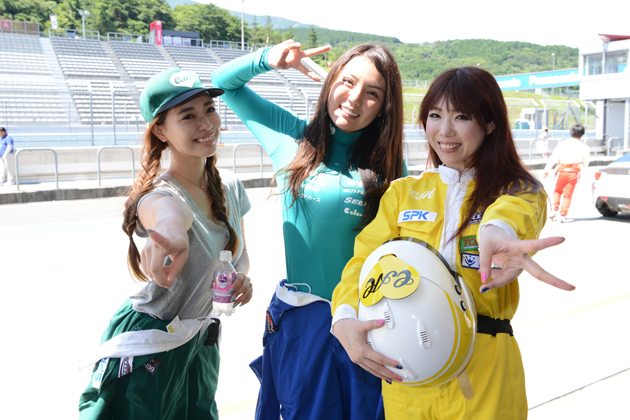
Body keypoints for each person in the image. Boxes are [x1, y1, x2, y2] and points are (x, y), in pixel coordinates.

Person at [332, 66, 575, 420]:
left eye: (461, 117)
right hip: (405, 378)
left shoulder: (519, 190)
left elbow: (514, 214)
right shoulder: (402, 193)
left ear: (490, 124)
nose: (445, 131)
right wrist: (342, 317)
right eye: (435, 115)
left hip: (484, 373)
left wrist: (498, 229)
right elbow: (363, 263)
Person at [211, 40, 407, 420]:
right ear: (330, 80)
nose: (354, 98)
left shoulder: (389, 164)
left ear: (385, 106)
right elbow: (223, 84)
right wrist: (269, 59)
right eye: (347, 82)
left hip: (367, 324)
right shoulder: (292, 138)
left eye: (372, 93)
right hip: (304, 323)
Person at [78, 68, 253, 420]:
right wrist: (172, 237)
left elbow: (240, 254)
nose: (206, 123)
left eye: (209, 109)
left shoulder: (230, 186)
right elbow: (168, 215)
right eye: (188, 116)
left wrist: (240, 278)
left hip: (199, 340)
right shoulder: (160, 194)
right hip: (152, 340)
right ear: (161, 131)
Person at [543, 123, 589, 222]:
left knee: (557, 191)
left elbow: (554, 157)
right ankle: (562, 215)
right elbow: (586, 163)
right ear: (582, 134)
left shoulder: (563, 143)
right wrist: (582, 171)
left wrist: (547, 170)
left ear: (571, 132)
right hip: (574, 172)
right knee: (568, 195)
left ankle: (554, 210)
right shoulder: (585, 147)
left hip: (562, 170)